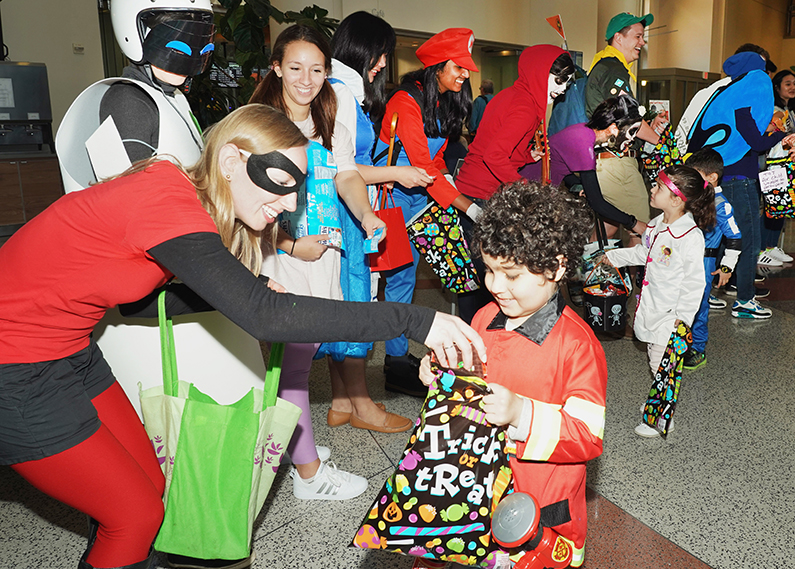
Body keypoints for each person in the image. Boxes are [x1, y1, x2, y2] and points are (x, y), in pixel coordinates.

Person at [0, 104, 485, 569]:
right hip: (15, 366)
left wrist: (240, 290)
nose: (292, 203)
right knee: (135, 516)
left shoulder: (178, 193)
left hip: (70, 350)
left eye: (299, 188)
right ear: (231, 160)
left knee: (150, 489)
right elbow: (268, 318)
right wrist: (414, 319)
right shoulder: (166, 202)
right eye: (281, 182)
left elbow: (135, 302)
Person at [249, 25, 418, 504]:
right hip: (283, 259)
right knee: (294, 365)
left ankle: (294, 443)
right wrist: (285, 245)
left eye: (317, 69)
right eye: (296, 67)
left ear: (329, 71)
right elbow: (240, 201)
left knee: (295, 363)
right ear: (277, 67)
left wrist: (365, 215)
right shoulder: (260, 124)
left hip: (326, 256)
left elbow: (346, 175)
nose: (306, 79)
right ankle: (308, 474)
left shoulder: (329, 120)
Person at [417, 179, 606, 569]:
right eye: (489, 270)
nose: (495, 286)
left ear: (556, 267)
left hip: (541, 507)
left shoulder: (577, 346)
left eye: (511, 275)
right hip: (481, 486)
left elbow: (588, 436)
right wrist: (441, 371)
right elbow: (470, 373)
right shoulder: (485, 316)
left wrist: (522, 413)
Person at [325, 11, 433, 433]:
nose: (384, 64)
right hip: (351, 211)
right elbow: (345, 168)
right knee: (356, 307)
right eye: (381, 53)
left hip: (341, 209)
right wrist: (397, 173)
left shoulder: (336, 89)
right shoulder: (343, 92)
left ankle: (340, 401)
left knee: (341, 306)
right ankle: (363, 406)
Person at [371, 28, 481, 396]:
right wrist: (468, 206)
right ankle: (396, 364)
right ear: (437, 67)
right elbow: (421, 165)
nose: (465, 74)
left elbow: (435, 162)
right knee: (401, 280)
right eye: (459, 67)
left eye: (467, 68)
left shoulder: (440, 100)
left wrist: (453, 193)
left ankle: (460, 346)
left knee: (460, 268)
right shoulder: (405, 101)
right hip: (397, 201)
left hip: (426, 198)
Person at [454, 44, 575, 323]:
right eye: (559, 79)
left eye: (567, 81)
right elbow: (494, 156)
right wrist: (526, 190)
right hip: (482, 195)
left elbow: (493, 142)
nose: (563, 88)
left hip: (475, 190)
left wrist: (524, 154)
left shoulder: (517, 95)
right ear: (538, 73)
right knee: (490, 276)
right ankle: (480, 338)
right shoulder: (525, 106)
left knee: (481, 275)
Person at [603, 165, 714, 437]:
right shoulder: (655, 224)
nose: (652, 190)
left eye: (659, 187)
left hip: (671, 314)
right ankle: (660, 400)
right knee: (658, 361)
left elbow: (694, 282)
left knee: (662, 365)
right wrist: (614, 257)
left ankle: (662, 416)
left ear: (676, 199)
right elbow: (644, 253)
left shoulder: (690, 236)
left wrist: (684, 318)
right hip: (652, 306)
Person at [688, 51, 795, 318]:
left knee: (720, 238)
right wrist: (781, 134)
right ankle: (745, 300)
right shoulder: (744, 102)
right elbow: (757, 144)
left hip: (723, 179)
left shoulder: (727, 98)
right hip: (739, 181)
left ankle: (708, 291)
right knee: (748, 241)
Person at [585, 11, 667, 247]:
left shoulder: (603, 66)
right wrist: (662, 143)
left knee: (608, 228)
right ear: (618, 39)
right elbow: (627, 118)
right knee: (641, 229)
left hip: (605, 161)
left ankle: (590, 276)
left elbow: (619, 117)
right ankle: (637, 284)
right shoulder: (614, 69)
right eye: (638, 36)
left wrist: (647, 128)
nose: (643, 42)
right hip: (617, 163)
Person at [521, 94, 647, 237]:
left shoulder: (583, 132)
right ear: (613, 128)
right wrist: (634, 223)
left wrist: (578, 185)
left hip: (533, 190)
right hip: (528, 193)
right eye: (632, 131)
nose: (632, 138)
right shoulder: (584, 142)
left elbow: (561, 164)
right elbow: (597, 203)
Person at [682, 149, 741, 370]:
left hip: (704, 263)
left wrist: (726, 267)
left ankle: (697, 348)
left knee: (698, 306)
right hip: (685, 260)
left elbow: (734, 237)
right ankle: (681, 342)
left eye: (695, 174)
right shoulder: (694, 200)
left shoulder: (721, 204)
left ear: (711, 177)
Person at [758, 69, 795, 266]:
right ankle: (763, 248)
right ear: (777, 87)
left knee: (782, 205)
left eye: (794, 83)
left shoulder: (790, 110)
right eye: (787, 84)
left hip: (787, 163)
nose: (792, 87)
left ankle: (772, 246)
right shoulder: (773, 110)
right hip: (774, 164)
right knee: (772, 205)